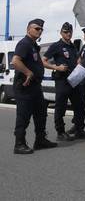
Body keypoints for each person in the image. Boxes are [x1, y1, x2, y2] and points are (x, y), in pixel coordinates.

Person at [12, 19, 58, 154]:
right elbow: (15, 61)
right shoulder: (24, 43)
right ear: (28, 30)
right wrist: (28, 72)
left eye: (41, 29)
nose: (39, 31)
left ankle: (40, 140)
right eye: (37, 28)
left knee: (41, 113)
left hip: (35, 86)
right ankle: (19, 144)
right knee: (23, 116)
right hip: (25, 86)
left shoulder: (33, 45)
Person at [43, 22, 85, 140]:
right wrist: (56, 67)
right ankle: (60, 132)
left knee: (80, 106)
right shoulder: (56, 46)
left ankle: (79, 129)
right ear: (61, 32)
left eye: (70, 32)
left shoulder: (73, 46)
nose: (68, 34)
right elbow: (43, 61)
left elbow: (76, 59)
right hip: (62, 81)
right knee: (60, 107)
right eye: (65, 32)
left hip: (74, 80)